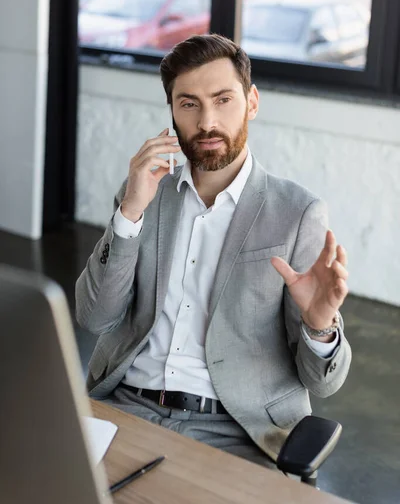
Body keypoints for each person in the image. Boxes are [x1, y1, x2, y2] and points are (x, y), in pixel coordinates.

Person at [76, 34, 351, 469]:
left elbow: (323, 384)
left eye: (223, 100)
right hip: (127, 406)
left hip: (237, 430)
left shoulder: (297, 213)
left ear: (252, 103)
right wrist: (129, 212)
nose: (207, 122)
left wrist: (319, 327)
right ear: (172, 113)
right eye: (189, 104)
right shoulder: (144, 196)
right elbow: (94, 317)